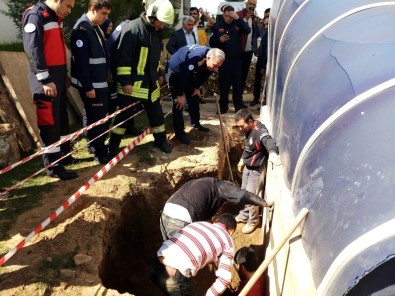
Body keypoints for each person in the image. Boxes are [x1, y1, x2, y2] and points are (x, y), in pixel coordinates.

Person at [108, 0, 174, 154]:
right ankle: (113, 147)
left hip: (150, 83)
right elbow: (123, 58)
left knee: (157, 116)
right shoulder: (133, 29)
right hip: (132, 85)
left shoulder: (156, 32)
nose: (162, 26)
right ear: (152, 16)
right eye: (161, 22)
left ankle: (161, 142)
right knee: (123, 119)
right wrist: (125, 82)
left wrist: (159, 73)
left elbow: (155, 58)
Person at [22, 0, 78, 180]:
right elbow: (32, 49)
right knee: (49, 124)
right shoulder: (36, 15)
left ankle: (64, 156)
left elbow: (56, 49)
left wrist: (65, 76)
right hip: (46, 81)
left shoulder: (54, 16)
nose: (69, 11)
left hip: (58, 78)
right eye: (68, 6)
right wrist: (45, 79)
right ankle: (53, 166)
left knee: (61, 121)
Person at [160, 177, 273, 241]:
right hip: (180, 220)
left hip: (166, 213)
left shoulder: (204, 184)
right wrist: (264, 203)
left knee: (170, 250)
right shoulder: (221, 187)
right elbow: (242, 195)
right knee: (182, 259)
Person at [150, 213, 236, 296]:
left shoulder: (200, 223)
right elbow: (224, 279)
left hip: (156, 264)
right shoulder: (227, 241)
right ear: (231, 231)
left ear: (216, 221)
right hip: (175, 275)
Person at [70, 0, 112, 165]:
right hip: (92, 85)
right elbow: (81, 62)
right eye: (103, 14)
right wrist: (88, 86)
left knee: (94, 116)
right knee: (98, 120)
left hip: (99, 82)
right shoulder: (82, 29)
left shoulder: (93, 27)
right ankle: (99, 153)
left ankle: (93, 145)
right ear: (93, 9)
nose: (106, 18)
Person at [167, 46, 224, 145]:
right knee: (179, 104)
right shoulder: (195, 57)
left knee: (194, 96)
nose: (216, 69)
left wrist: (197, 87)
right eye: (215, 65)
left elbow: (205, 73)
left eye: (218, 66)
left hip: (187, 73)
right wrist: (180, 94)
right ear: (208, 58)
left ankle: (196, 123)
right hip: (175, 72)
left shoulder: (211, 56)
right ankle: (179, 133)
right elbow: (182, 76)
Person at [235, 109, 279, 234]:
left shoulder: (259, 132)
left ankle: (253, 220)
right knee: (243, 191)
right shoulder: (247, 130)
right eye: (238, 127)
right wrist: (242, 159)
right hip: (248, 167)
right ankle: (244, 215)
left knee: (251, 196)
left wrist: (272, 153)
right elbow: (248, 147)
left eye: (241, 126)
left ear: (250, 121)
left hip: (256, 170)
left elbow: (269, 141)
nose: (240, 129)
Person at [209, 5, 250, 114]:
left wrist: (237, 18)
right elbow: (211, 42)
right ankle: (223, 106)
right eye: (226, 16)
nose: (228, 18)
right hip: (224, 62)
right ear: (223, 15)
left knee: (237, 85)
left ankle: (238, 106)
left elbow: (247, 30)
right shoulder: (218, 26)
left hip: (236, 61)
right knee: (224, 85)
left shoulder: (238, 24)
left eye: (230, 16)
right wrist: (219, 40)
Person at [237, 0, 259, 96]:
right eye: (250, 4)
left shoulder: (254, 18)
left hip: (249, 51)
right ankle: (235, 97)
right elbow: (237, 28)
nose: (252, 6)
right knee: (236, 75)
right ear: (246, 4)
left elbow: (256, 34)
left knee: (244, 75)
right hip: (239, 51)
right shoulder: (239, 15)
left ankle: (239, 97)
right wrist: (246, 17)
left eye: (254, 5)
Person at [251, 16, 269, 106]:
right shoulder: (265, 35)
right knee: (258, 80)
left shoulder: (275, 35)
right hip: (262, 61)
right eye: (264, 24)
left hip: (270, 63)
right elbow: (262, 51)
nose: (265, 27)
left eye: (267, 24)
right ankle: (256, 98)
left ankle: (267, 102)